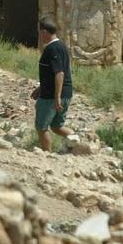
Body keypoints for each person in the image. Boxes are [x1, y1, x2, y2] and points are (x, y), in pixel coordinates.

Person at [31, 15, 74, 152]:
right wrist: (40, 87)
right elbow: (53, 72)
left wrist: (57, 97)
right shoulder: (61, 46)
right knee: (56, 126)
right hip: (64, 93)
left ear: (44, 32)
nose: (39, 36)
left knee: (42, 127)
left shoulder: (52, 49)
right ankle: (78, 141)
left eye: (40, 32)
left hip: (51, 97)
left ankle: (47, 157)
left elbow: (59, 73)